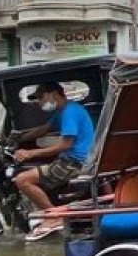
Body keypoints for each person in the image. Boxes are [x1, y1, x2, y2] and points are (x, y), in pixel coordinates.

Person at [12, 81, 95, 241]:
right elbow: (45, 128)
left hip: (74, 162)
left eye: (41, 97)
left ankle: (54, 216)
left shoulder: (69, 112)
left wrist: (31, 153)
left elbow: (66, 144)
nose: (40, 102)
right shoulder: (63, 110)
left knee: (23, 180)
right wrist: (19, 138)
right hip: (71, 160)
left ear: (54, 94)